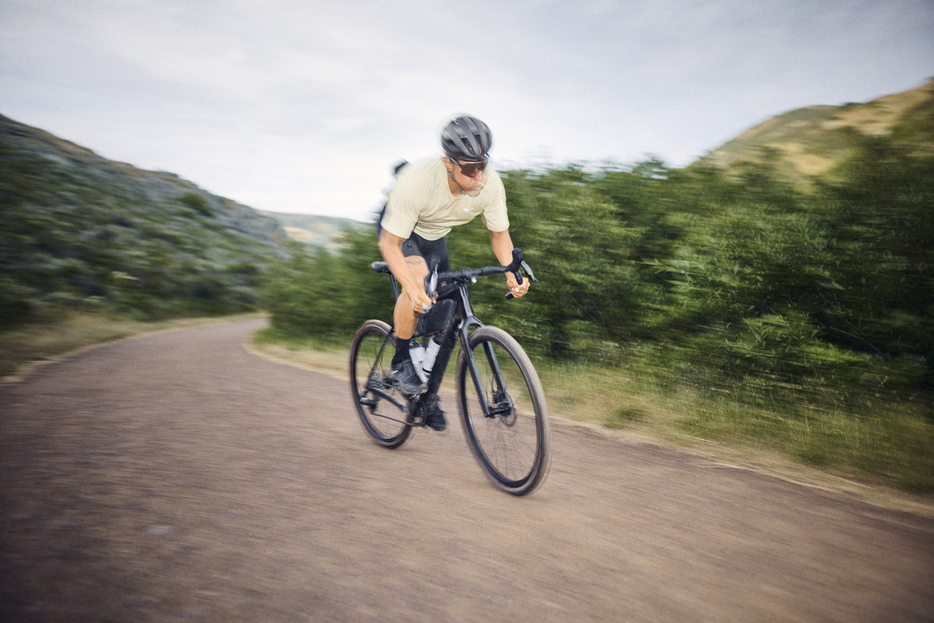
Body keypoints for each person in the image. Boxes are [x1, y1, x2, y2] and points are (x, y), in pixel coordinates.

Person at [378, 115, 530, 430]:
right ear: (448, 162)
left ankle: (426, 396)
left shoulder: (490, 185)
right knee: (419, 285)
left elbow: (499, 234)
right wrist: (413, 287)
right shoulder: (417, 182)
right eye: (469, 168)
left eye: (482, 166)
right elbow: (390, 243)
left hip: (434, 237)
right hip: (402, 232)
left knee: (442, 317)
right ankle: (401, 359)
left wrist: (510, 273)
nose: (478, 176)